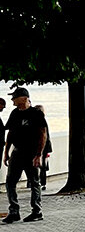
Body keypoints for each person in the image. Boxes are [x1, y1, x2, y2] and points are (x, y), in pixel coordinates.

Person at [2, 88, 48, 223]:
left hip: (32, 152)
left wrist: (39, 154)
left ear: (24, 98)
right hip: (17, 152)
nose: (12, 100)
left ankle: (37, 211)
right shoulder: (15, 114)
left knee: (34, 182)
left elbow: (43, 134)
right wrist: (6, 153)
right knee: (10, 182)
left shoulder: (36, 114)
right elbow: (10, 134)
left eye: (14, 98)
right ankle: (14, 211)